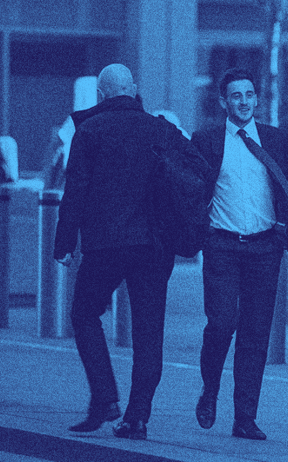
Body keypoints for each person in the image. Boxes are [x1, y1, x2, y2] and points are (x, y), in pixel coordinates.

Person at [54, 64, 194, 440]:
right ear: (132, 89)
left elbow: (76, 191)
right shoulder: (161, 129)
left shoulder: (90, 130)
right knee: (149, 331)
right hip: (154, 245)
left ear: (102, 95)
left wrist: (64, 243)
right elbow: (196, 171)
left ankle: (104, 399)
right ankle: (137, 417)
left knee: (84, 314)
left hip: (106, 244)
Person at [192, 68, 288, 441]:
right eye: (236, 95)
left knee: (256, 335)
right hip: (221, 245)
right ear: (223, 101)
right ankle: (210, 389)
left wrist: (286, 238)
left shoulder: (277, 140)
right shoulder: (205, 141)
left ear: (257, 99)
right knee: (222, 323)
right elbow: (191, 193)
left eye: (249, 95)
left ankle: (245, 417)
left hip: (264, 248)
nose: (243, 101)